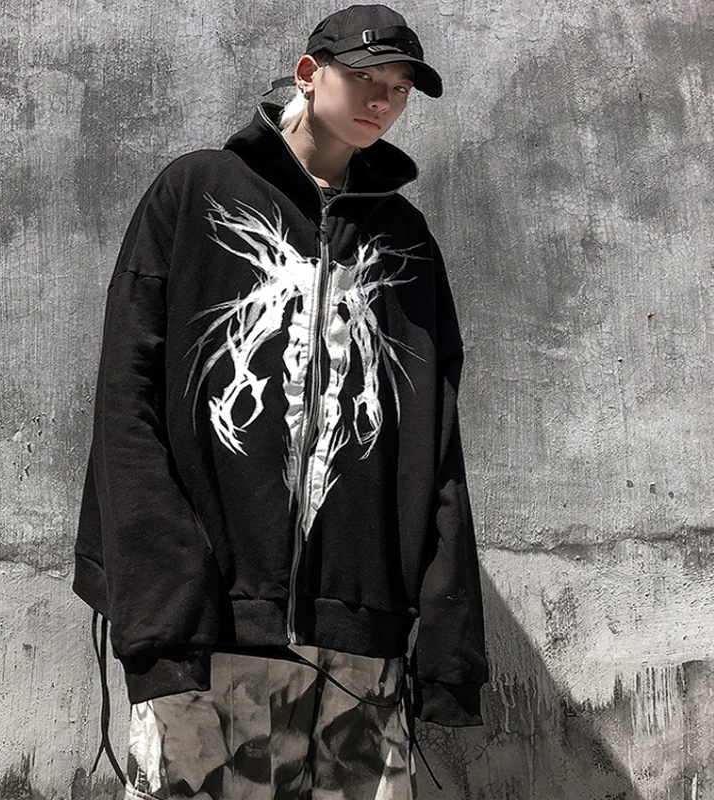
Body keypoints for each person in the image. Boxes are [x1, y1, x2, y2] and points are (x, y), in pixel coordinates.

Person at [73, 4, 489, 798]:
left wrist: (445, 632)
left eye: (400, 89)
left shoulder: (405, 242)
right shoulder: (194, 193)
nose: (382, 101)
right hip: (211, 624)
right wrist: (166, 590)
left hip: (359, 641)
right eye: (365, 78)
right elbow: (125, 399)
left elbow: (436, 441)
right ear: (308, 74)